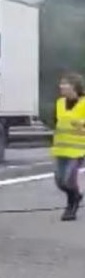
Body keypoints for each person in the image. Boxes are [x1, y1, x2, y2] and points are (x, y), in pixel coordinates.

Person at [52, 73, 85, 221]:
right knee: (59, 182)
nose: (61, 86)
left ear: (74, 87)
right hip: (60, 150)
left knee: (68, 181)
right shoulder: (59, 103)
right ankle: (76, 195)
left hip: (77, 151)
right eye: (61, 83)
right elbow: (56, 123)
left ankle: (71, 207)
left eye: (65, 84)